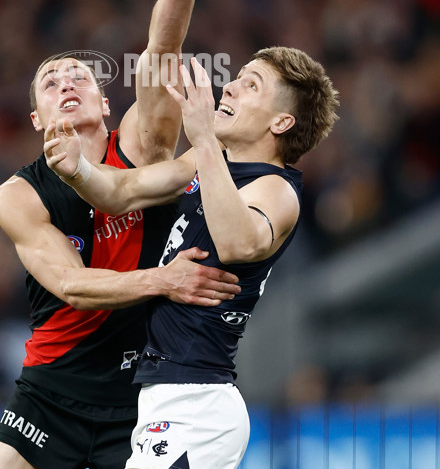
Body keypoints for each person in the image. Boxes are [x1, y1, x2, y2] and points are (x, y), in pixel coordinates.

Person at [0, 0, 243, 469]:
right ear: (36, 120)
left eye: (80, 75)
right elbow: (73, 287)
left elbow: (160, 50)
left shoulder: (141, 146)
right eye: (50, 81)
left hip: (142, 398)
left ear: (104, 101)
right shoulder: (18, 195)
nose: (66, 82)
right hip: (51, 393)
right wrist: (163, 281)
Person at [45, 48, 339, 469]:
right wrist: (78, 171)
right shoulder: (212, 159)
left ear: (281, 122)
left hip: (197, 401)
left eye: (251, 85)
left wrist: (202, 136)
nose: (231, 87)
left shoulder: (276, 189)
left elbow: (239, 243)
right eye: (237, 77)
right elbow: (126, 192)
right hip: (166, 396)